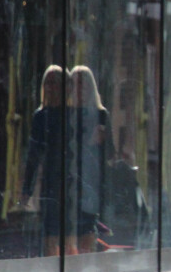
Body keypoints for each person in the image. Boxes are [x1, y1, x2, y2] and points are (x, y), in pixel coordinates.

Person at [19, 65, 69, 257]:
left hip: (70, 181)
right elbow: (33, 154)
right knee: (50, 230)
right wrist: (27, 190)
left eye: (54, 83)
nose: (49, 87)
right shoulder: (41, 116)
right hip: (50, 181)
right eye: (47, 82)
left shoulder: (71, 114)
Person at [69, 65, 112, 254]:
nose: (79, 89)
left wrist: (99, 142)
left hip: (90, 181)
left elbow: (108, 153)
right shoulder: (67, 114)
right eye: (75, 84)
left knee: (87, 227)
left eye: (83, 84)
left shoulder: (100, 114)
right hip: (70, 180)